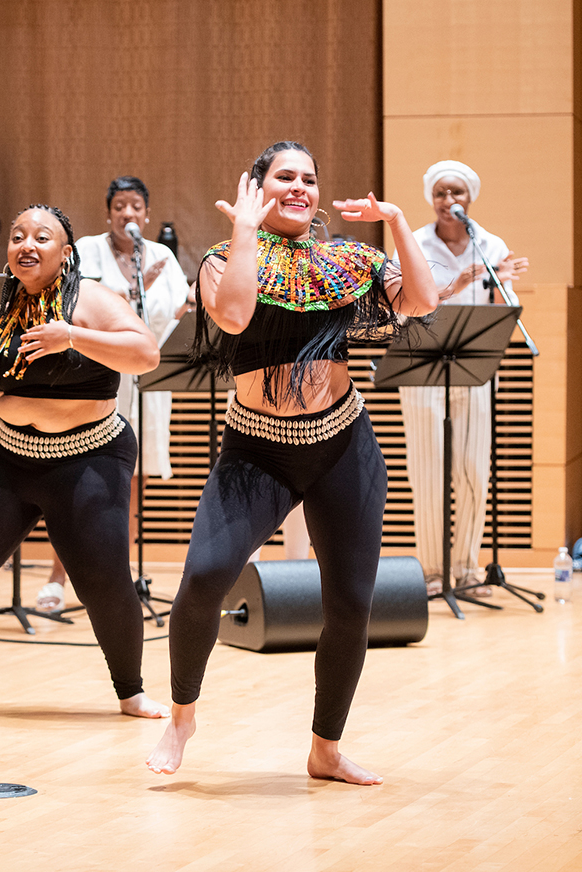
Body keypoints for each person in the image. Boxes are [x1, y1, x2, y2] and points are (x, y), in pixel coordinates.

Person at [146, 142, 439, 784]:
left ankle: (325, 749)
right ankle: (182, 715)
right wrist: (245, 228)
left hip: (342, 445)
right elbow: (234, 313)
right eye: (285, 177)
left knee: (351, 605)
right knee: (203, 579)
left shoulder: (349, 260)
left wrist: (393, 220)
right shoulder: (224, 258)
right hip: (256, 451)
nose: (300, 187)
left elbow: (420, 300)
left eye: (309, 178)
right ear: (257, 187)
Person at [0, 204, 169, 720]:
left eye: (41, 237)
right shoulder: (1, 310)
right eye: (18, 235)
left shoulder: (91, 298)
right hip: (8, 455)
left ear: (64, 252)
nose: (26, 244)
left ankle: (131, 692)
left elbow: (146, 353)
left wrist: (70, 335)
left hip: (90, 454)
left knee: (104, 581)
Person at [37, 176, 190, 611]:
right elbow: (74, 307)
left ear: (146, 213)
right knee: (77, 476)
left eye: (136, 206)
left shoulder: (160, 255)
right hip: (95, 376)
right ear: (109, 213)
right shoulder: (85, 248)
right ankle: (56, 578)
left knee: (131, 481)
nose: (129, 213)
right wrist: (131, 286)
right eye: (120, 205)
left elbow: (177, 311)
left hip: (147, 381)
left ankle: (115, 579)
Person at [399, 160, 529, 596]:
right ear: (430, 198)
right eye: (440, 193)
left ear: (470, 197)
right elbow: (403, 304)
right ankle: (434, 572)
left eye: (456, 192)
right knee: (427, 470)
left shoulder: (491, 245)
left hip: (473, 368)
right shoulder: (414, 243)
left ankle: (468, 569)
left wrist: (496, 284)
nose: (448, 201)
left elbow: (501, 313)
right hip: (423, 367)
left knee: (474, 468)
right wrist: (459, 281)